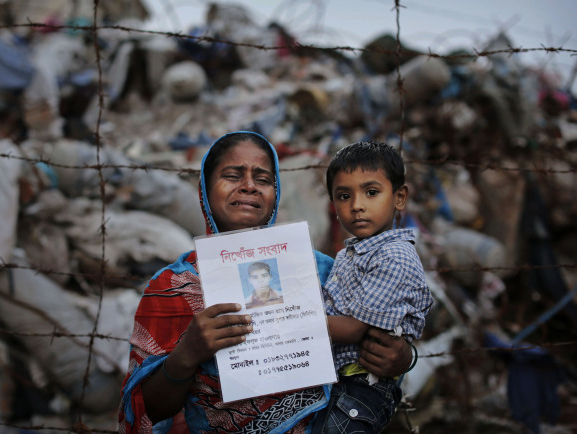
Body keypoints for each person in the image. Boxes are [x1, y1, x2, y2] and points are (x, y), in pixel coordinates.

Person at [118, 132, 414, 433]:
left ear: (276, 192)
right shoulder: (173, 288)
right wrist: (187, 354)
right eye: (232, 176)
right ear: (205, 189)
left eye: (262, 179)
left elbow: (378, 334)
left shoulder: (325, 272)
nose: (248, 186)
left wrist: (400, 357)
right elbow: (149, 409)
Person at [312, 140, 434, 433]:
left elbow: (354, 329)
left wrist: (298, 319)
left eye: (371, 192)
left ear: (400, 197)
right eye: (344, 195)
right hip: (341, 381)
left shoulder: (393, 256)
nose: (356, 205)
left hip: (362, 387)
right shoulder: (352, 253)